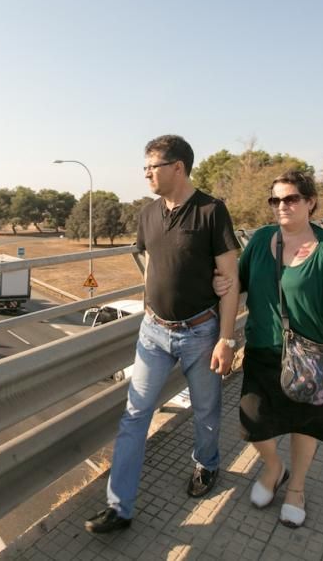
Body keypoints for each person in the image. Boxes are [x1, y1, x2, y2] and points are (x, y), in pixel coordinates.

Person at [85, 134, 241, 534]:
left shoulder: (211, 210)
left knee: (205, 411)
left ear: (177, 167)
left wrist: (226, 338)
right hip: (153, 332)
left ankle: (206, 465)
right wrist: (149, 308)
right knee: (134, 415)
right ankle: (120, 508)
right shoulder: (148, 213)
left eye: (151, 166)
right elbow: (151, 262)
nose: (145, 174)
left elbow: (230, 279)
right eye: (144, 167)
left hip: (201, 332)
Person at [219, 170, 323, 529]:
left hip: (314, 353)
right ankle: (275, 469)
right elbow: (239, 282)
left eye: (290, 198)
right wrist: (222, 282)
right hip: (263, 349)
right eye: (275, 200)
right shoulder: (261, 240)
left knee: (305, 425)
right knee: (252, 423)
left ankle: (297, 488)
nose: (282, 206)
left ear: (310, 202)